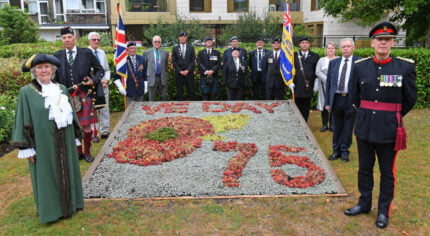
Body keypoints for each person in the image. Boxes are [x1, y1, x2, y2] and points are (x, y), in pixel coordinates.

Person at [344, 22, 417, 229]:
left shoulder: (404, 66)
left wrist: (391, 116)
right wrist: (368, 115)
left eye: (387, 39)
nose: (383, 43)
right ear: (373, 42)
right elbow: (354, 96)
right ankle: (364, 203)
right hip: (365, 126)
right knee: (364, 169)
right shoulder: (360, 66)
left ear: (393, 42)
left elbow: (410, 99)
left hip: (389, 130)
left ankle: (383, 210)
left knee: (387, 172)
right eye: (379, 39)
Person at [11, 54, 84, 224]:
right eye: (40, 67)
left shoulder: (62, 89)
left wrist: (74, 137)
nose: (44, 70)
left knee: (68, 170)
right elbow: (22, 119)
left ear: (53, 70)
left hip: (64, 140)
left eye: (47, 67)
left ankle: (72, 204)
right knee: (46, 175)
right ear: (34, 71)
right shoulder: (27, 92)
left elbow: (71, 115)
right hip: (42, 143)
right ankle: (51, 211)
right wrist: (26, 147)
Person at [54, 26, 104, 163]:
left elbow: (100, 71)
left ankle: (87, 152)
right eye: (64, 38)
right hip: (66, 97)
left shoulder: (86, 53)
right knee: (71, 125)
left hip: (83, 95)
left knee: (86, 125)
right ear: (62, 40)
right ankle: (78, 152)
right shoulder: (57, 56)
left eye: (69, 37)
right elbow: (54, 78)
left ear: (74, 38)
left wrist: (93, 80)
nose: (67, 40)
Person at [324, 38, 359, 162]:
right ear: (340, 48)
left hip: (350, 100)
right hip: (336, 99)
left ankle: (344, 151)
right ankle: (336, 151)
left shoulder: (359, 62)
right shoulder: (334, 62)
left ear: (353, 48)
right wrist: (327, 102)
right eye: (343, 46)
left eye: (348, 46)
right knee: (336, 126)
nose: (345, 48)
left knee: (348, 127)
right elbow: (328, 84)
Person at [88, 32, 111, 140]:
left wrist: (106, 79)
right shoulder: (85, 53)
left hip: (103, 85)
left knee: (104, 109)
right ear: (89, 41)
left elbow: (106, 69)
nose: (96, 41)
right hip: (91, 87)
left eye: (98, 39)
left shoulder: (102, 53)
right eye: (94, 39)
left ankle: (105, 131)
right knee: (92, 110)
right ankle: (93, 133)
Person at [293, 37, 319, 121]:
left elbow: (316, 71)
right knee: (297, 105)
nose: (304, 44)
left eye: (306, 42)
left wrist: (316, 83)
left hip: (309, 85)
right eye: (302, 42)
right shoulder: (294, 55)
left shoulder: (315, 56)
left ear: (309, 44)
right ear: (299, 44)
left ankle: (305, 122)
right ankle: (298, 121)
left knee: (306, 106)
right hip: (297, 85)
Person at [114, 41, 147, 107]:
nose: (133, 50)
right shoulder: (122, 60)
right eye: (131, 48)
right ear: (127, 50)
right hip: (129, 89)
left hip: (140, 89)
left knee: (140, 109)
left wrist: (146, 86)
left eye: (135, 48)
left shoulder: (141, 58)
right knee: (130, 110)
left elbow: (145, 74)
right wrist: (120, 87)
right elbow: (116, 76)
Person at [315, 42, 337, 132]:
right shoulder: (321, 60)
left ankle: (332, 125)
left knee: (334, 105)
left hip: (335, 87)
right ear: (326, 50)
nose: (330, 50)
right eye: (329, 48)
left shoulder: (339, 59)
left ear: (335, 50)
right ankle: (324, 125)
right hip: (323, 86)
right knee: (324, 105)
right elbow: (317, 72)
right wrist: (327, 80)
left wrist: (333, 81)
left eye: (332, 48)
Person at [143, 35, 169, 101]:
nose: (157, 43)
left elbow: (165, 64)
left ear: (161, 43)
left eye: (158, 42)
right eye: (155, 42)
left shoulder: (165, 53)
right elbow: (145, 66)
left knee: (164, 97)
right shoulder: (146, 53)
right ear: (152, 43)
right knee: (151, 98)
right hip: (151, 78)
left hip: (162, 78)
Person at [172, 32, 196, 101]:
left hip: (189, 73)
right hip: (179, 74)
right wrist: (180, 71)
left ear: (186, 38)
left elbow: (192, 60)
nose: (183, 38)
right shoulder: (175, 48)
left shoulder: (191, 48)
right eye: (181, 37)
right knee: (179, 92)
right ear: (179, 38)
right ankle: (179, 109)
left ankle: (193, 109)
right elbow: (174, 61)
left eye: (184, 37)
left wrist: (187, 70)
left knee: (191, 91)